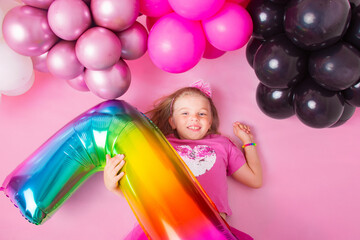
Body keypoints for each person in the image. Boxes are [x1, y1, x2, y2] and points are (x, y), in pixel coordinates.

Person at [104, 81, 263, 240]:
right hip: (168, 224)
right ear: (172, 121)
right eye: (185, 113)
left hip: (212, 230)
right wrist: (114, 187)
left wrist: (248, 142)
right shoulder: (161, 145)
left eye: (201, 114)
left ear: (210, 121)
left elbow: (255, 179)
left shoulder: (222, 144)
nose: (194, 118)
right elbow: (146, 193)